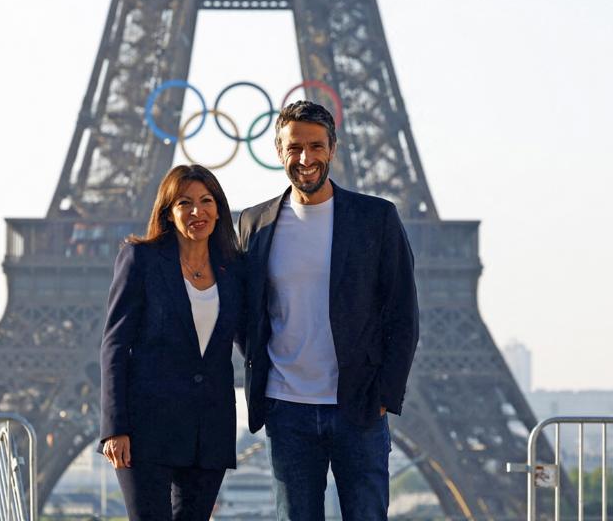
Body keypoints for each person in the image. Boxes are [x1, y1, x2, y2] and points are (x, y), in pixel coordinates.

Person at [236, 100, 419, 521]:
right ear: (279, 152)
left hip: (358, 405)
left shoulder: (376, 218)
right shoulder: (254, 224)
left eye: (316, 146)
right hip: (286, 409)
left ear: (332, 148)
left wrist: (383, 395)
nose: (306, 158)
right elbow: (248, 316)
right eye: (295, 148)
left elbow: (403, 315)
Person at [100, 164, 244, 521]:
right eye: (185, 203)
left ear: (219, 208)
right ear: (168, 212)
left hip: (208, 429)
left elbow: (254, 338)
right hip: (145, 429)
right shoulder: (141, 260)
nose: (198, 211)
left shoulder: (235, 269)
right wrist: (115, 428)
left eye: (206, 200)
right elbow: (115, 346)